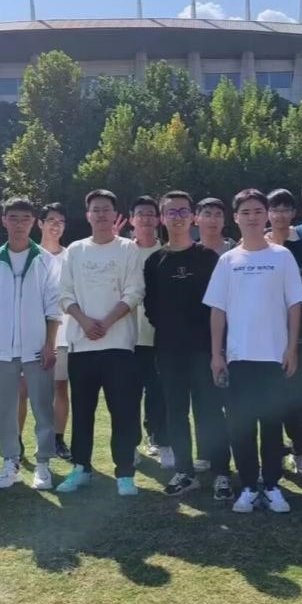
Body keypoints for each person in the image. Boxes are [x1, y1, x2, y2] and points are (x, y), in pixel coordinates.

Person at [204, 189, 302, 514]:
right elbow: (217, 310)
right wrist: (216, 354)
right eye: (245, 212)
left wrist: (291, 348)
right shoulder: (228, 260)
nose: (252, 217)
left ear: (267, 215)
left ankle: (272, 485)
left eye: (258, 211)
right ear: (236, 217)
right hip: (238, 358)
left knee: (272, 425)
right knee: (241, 426)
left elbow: (294, 305)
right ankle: (248, 486)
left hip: (275, 357)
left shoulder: (282, 256)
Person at [55, 189, 146, 496]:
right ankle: (81, 468)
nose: (101, 214)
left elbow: (134, 292)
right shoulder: (75, 250)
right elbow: (64, 293)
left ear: (115, 214)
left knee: (123, 412)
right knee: (83, 412)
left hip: (119, 346)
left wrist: (106, 322)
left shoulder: (128, 248)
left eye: (106, 209)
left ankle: (125, 474)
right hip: (82, 346)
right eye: (96, 209)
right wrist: (84, 321)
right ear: (88, 215)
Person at [143, 190, 231, 499]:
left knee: (210, 411)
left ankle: (222, 473)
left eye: (183, 212)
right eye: (171, 212)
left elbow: (219, 305)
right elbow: (151, 308)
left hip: (205, 350)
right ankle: (185, 472)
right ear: (162, 218)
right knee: (175, 411)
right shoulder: (155, 261)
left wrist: (217, 350)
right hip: (169, 351)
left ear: (192, 217)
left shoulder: (209, 258)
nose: (178, 218)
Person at [0, 198, 62, 491]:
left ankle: (43, 464)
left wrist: (50, 344)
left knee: (42, 407)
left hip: (37, 348)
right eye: (13, 218)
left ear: (33, 222)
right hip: (1, 349)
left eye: (25, 218)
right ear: (4, 221)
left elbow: (53, 308)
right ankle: (9, 462)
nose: (19, 224)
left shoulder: (46, 260)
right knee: (5, 409)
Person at [267, 188, 302, 476]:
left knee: (296, 398)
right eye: (275, 209)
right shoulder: (257, 244)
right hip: (265, 335)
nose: (280, 215)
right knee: (269, 397)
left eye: (286, 209)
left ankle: (300, 450)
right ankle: (275, 452)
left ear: (294, 213)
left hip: (298, 335)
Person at [129, 196, 169, 465]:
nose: (145, 218)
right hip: (128, 338)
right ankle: (130, 443)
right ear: (132, 219)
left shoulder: (166, 252)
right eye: (140, 214)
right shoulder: (123, 252)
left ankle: (159, 439)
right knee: (128, 394)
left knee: (159, 393)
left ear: (158, 219)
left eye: (150, 214)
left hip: (159, 339)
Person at [37, 202, 73, 462]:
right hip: (32, 336)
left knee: (61, 388)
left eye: (60, 221)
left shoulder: (71, 256)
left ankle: (58, 439)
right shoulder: (30, 255)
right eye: (51, 220)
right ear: (40, 223)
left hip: (64, 335)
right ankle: (18, 442)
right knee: (26, 391)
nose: (55, 225)